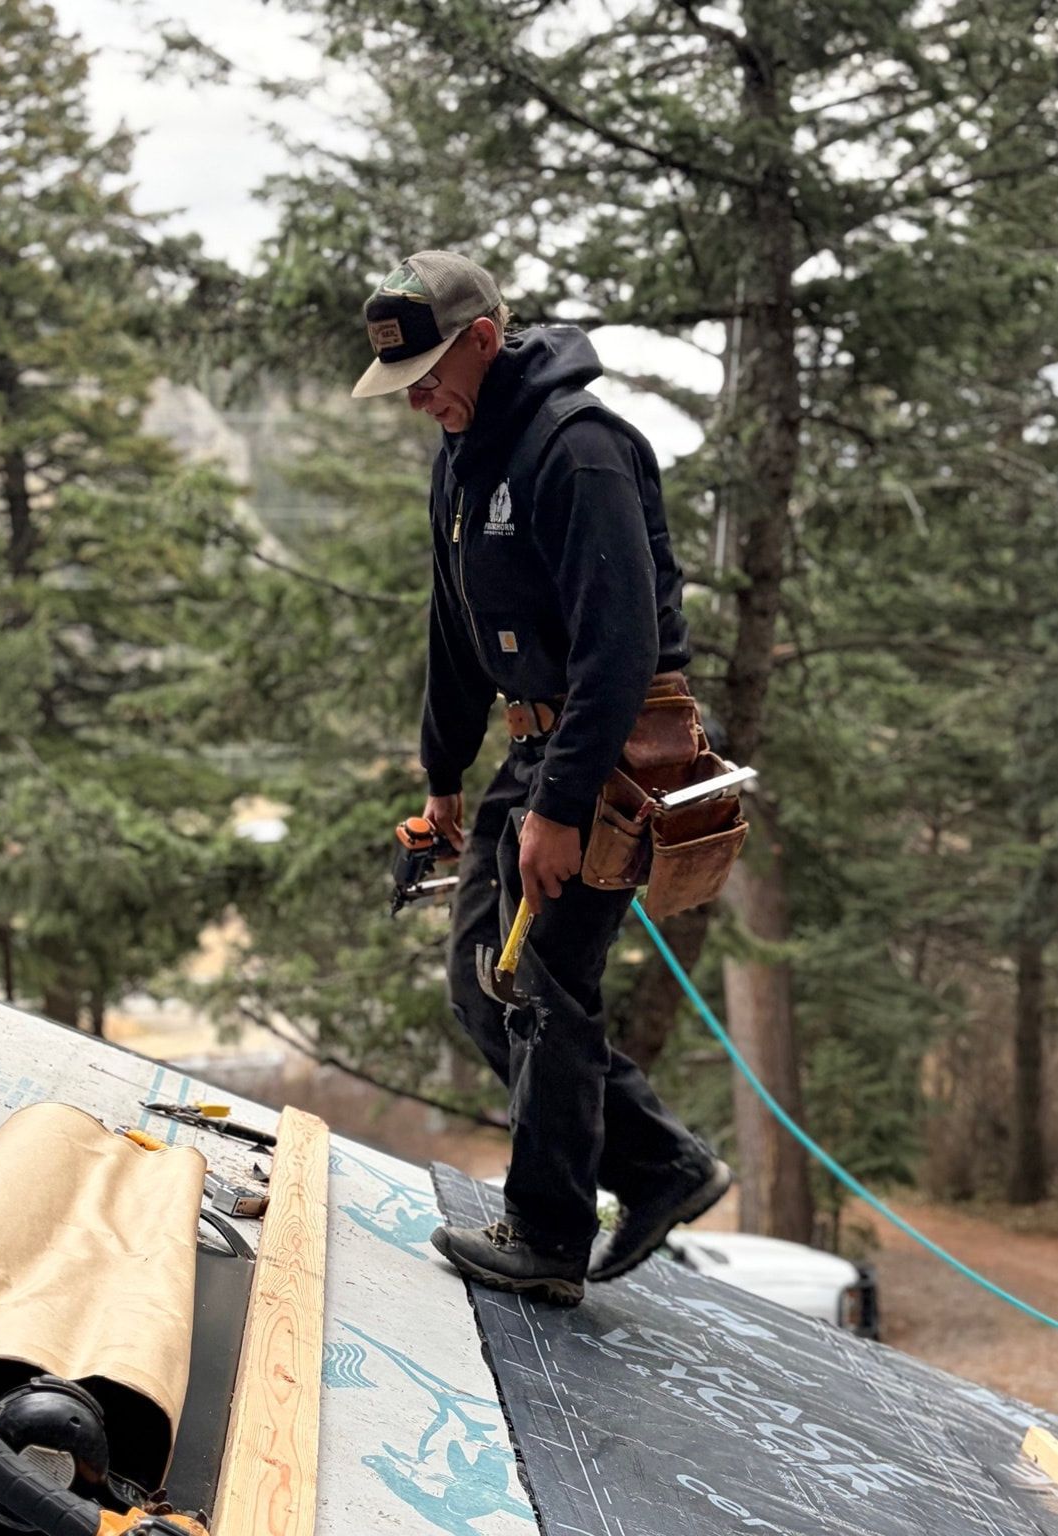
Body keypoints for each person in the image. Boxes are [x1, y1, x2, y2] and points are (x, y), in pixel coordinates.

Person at [351, 250, 730, 1305]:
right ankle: (658, 1165)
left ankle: (548, 1236)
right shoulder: (462, 458)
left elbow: (621, 650)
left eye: (427, 375)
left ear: (481, 338)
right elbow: (454, 629)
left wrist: (560, 808)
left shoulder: (580, 450)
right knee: (482, 981)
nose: (417, 399)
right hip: (533, 751)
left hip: (614, 757)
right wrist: (442, 777)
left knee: (545, 986)